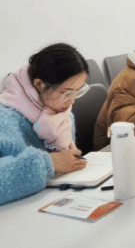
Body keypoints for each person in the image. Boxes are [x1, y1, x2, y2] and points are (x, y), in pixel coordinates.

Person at [0, 43, 90, 205]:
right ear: (39, 84)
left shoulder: (61, 112)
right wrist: (49, 163)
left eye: (78, 92)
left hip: (50, 200)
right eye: (66, 93)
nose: (72, 101)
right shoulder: (5, 119)